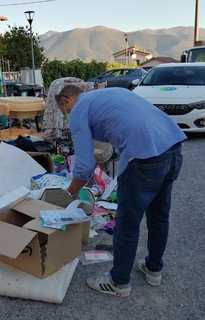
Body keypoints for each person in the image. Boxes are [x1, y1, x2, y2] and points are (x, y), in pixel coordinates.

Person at [55, 84, 187, 297]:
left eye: (65, 113)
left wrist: (69, 192)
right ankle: (154, 270)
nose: (68, 117)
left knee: (126, 223)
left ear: (66, 101)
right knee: (159, 216)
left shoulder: (78, 108)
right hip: (172, 148)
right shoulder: (111, 93)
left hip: (144, 157)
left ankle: (119, 282)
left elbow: (85, 166)